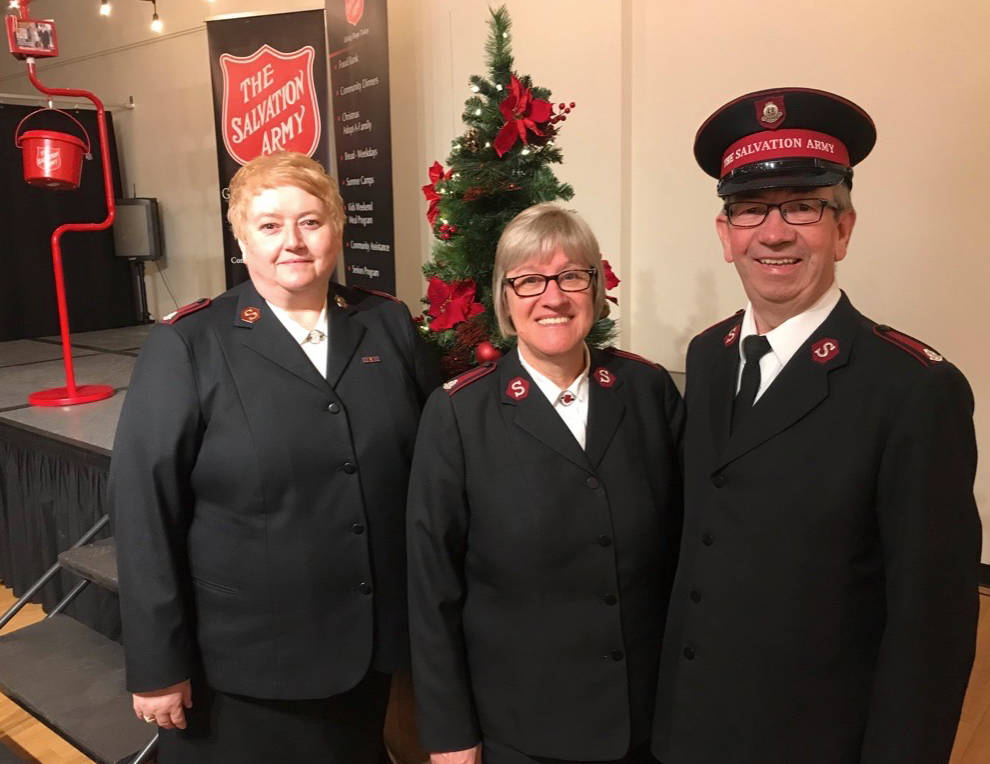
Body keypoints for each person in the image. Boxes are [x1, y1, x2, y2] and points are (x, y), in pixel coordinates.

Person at [652, 87, 981, 764]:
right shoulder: (708, 357)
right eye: (749, 209)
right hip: (692, 728)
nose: (774, 233)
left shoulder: (915, 391)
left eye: (803, 204)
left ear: (844, 228)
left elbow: (930, 631)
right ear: (725, 235)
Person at [109, 151, 440, 762]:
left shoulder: (387, 324)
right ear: (241, 238)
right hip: (247, 668)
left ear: (338, 230)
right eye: (269, 225)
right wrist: (157, 661)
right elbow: (143, 507)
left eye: (311, 222)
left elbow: (433, 465)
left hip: (370, 652)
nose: (293, 241)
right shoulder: (189, 343)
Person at [407, 203, 684, 764]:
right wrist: (449, 733)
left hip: (649, 721)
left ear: (597, 288)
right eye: (528, 280)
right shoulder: (459, 413)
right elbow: (431, 586)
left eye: (571, 276)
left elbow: (689, 549)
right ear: (505, 299)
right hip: (522, 729)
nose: (552, 297)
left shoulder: (647, 390)